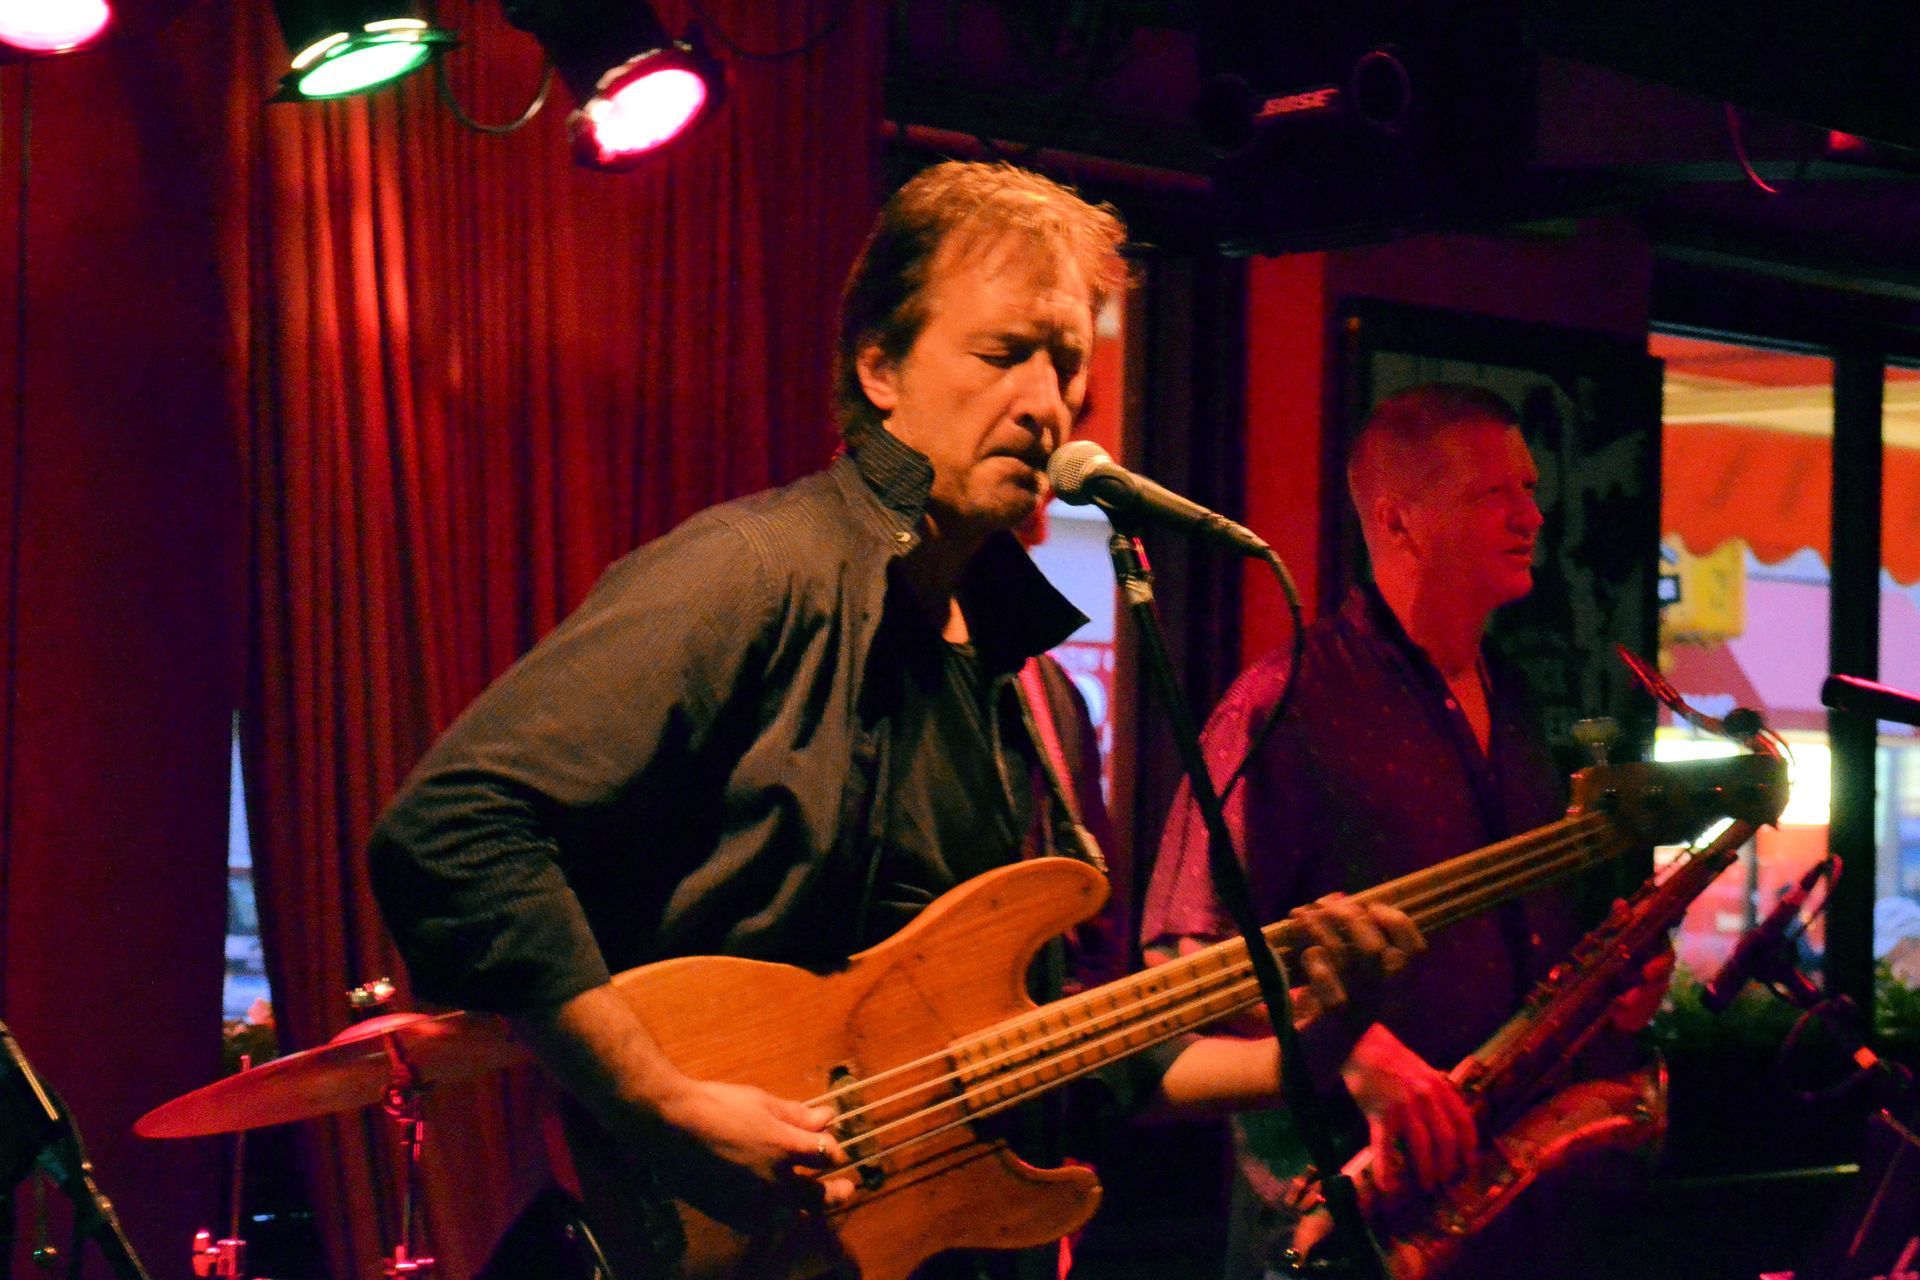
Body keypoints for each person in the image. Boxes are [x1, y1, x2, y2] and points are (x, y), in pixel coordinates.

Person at [367, 160, 1420, 1280]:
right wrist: (658, 1095)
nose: (1047, 400)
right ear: (879, 367)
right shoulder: (753, 572)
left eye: (1067, 363)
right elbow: (455, 826)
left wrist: (1302, 1041)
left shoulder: (1036, 692)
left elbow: (1048, 1052)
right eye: (1003, 352)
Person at [1142, 383, 1669, 1280]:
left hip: (1503, 1216)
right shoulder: (1281, 704)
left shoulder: (1521, 704)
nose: (1531, 517)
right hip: (1342, 1228)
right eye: (1492, 495)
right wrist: (1347, 1046)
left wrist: (1616, 986)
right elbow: (1181, 974)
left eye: (1531, 489)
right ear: (1399, 519)